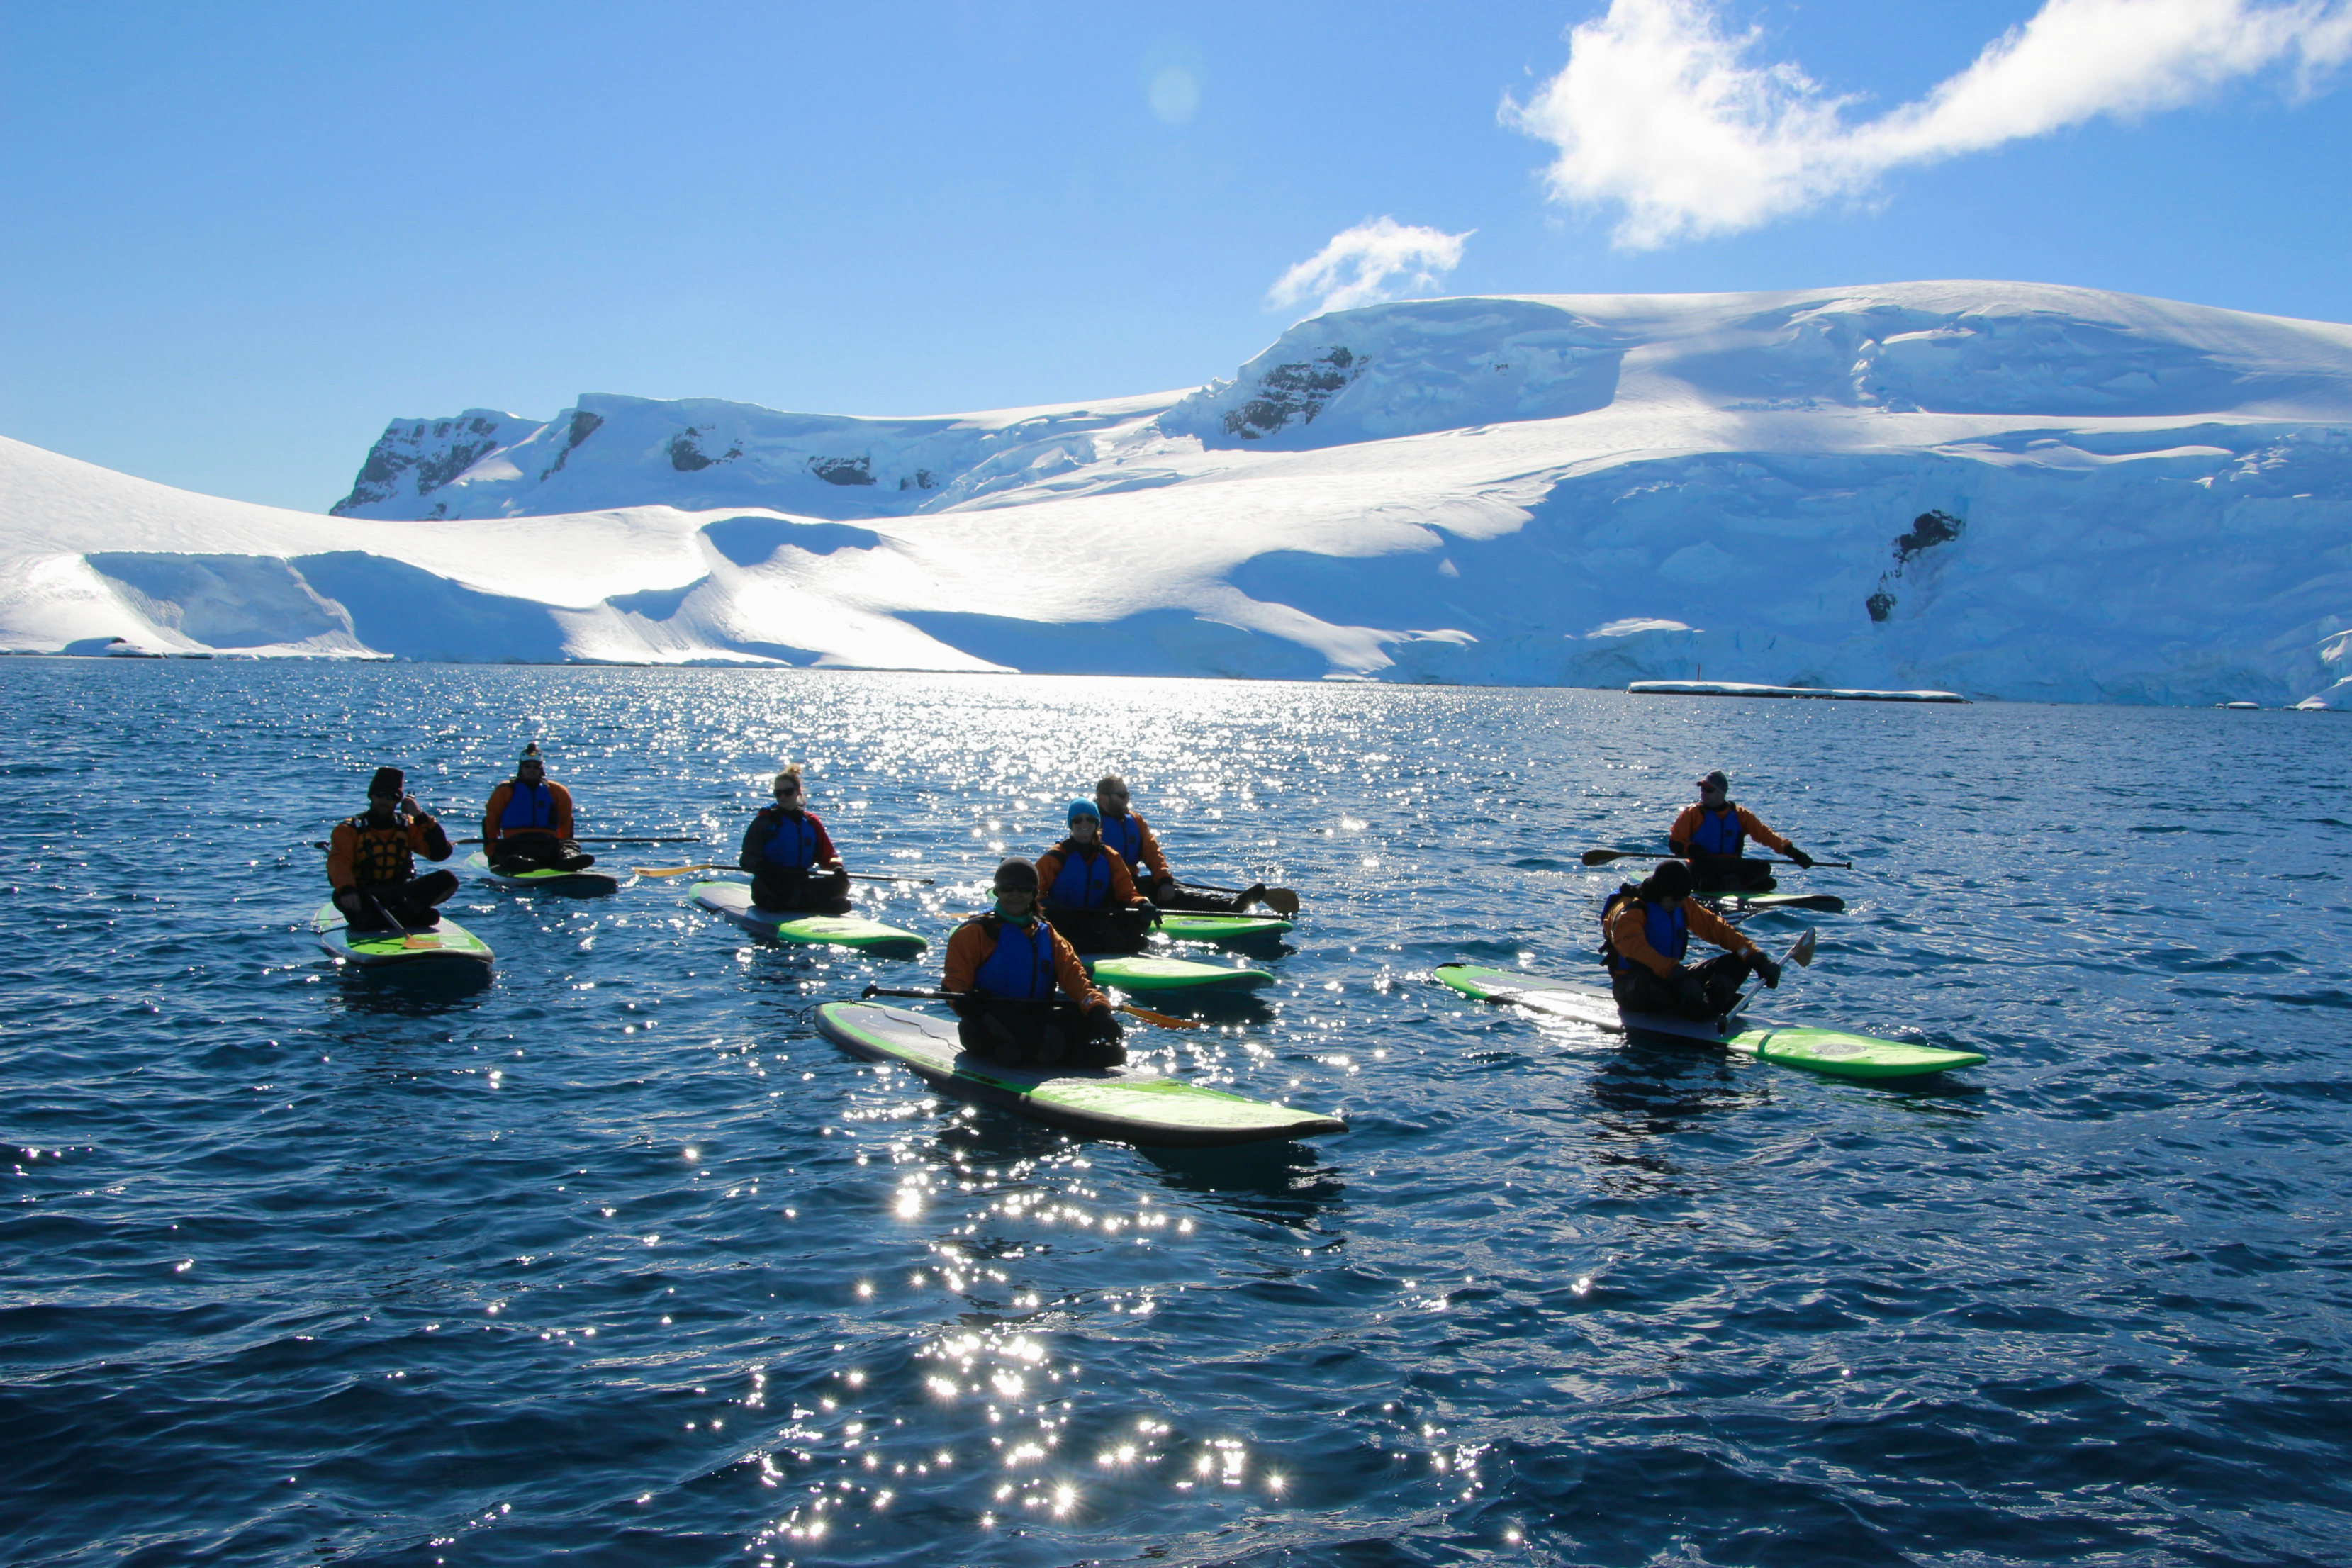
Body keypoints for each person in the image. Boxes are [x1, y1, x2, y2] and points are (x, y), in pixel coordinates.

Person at [942, 858, 1125, 1068]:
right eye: (1007, 888)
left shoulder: (1047, 934)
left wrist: (1099, 1010)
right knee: (1019, 1029)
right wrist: (966, 1000)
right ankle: (1074, 1055)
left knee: (1088, 1020)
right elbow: (953, 982)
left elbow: (1076, 978)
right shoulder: (975, 932)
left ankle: (1026, 1051)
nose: (1015, 895)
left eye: (1023, 889)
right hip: (986, 1022)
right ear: (997, 891)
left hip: (1035, 1017)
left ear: (1033, 894)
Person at [1093, 773, 1299, 917]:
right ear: (1103, 799)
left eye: (1128, 794)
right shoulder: (1089, 823)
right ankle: (1228, 906)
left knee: (1175, 888)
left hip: (1133, 883)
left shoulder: (1134, 820)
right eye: (1122, 796)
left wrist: (1164, 880)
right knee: (1171, 893)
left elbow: (1153, 852)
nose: (1127, 799)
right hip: (1108, 891)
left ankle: (1228, 904)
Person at [1601, 859, 1783, 1021]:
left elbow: (1717, 928)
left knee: (1739, 961)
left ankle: (1707, 1004)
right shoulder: (1628, 911)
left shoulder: (1679, 901)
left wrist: (1756, 957)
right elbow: (1636, 950)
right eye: (1677, 900)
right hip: (1632, 986)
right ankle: (1705, 1006)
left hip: (1672, 977)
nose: (1681, 905)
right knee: (1657, 988)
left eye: (1683, 900)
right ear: (1663, 893)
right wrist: (1678, 976)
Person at [327, 766, 458, 931]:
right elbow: (339, 863)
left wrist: (419, 815)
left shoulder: (407, 826)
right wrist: (347, 889)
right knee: (340, 895)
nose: (384, 800)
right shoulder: (348, 830)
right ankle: (407, 918)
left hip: (400, 895)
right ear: (371, 796)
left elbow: (441, 853)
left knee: (447, 879)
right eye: (379, 794)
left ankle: (389, 918)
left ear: (398, 801)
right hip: (367, 894)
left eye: (391, 796)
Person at [1036, 798, 1156, 953]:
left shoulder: (1111, 856)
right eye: (1078, 820)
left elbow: (1127, 892)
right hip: (1064, 920)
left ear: (1097, 823)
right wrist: (1049, 908)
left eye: (1090, 819)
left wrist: (1143, 904)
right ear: (1071, 824)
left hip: (1096, 919)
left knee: (1139, 917)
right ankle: (1088, 945)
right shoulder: (1055, 857)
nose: (1084, 824)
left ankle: (1090, 944)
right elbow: (1035, 894)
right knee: (1055, 917)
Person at [1669, 770, 1816, 893]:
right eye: (1702, 789)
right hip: (1704, 864)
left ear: (1720, 793)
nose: (1703, 793)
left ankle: (1726, 884)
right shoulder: (1692, 813)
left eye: (1708, 790)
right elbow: (1674, 843)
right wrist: (1692, 849)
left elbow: (1765, 835)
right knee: (1701, 870)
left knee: (1763, 867)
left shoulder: (1740, 814)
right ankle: (1733, 885)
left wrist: (1793, 852)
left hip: (1731, 865)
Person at [739, 763, 852, 914]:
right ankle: (817, 905)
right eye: (778, 793)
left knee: (840, 883)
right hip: (771, 884)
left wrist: (837, 867)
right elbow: (747, 859)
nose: (783, 797)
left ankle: (813, 903)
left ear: (798, 792)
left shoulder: (811, 822)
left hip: (800, 881)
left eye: (787, 792)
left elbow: (829, 856)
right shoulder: (764, 822)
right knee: (790, 894)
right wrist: (763, 867)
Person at [481, 743, 594, 873]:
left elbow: (566, 822)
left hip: (547, 843)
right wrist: (491, 853)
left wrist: (563, 842)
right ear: (521, 768)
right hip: (516, 843)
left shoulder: (557, 790)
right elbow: (491, 822)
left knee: (570, 845)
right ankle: (518, 862)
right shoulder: (505, 790)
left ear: (541, 769)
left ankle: (567, 859)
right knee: (503, 848)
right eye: (527, 766)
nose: (532, 770)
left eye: (536, 767)